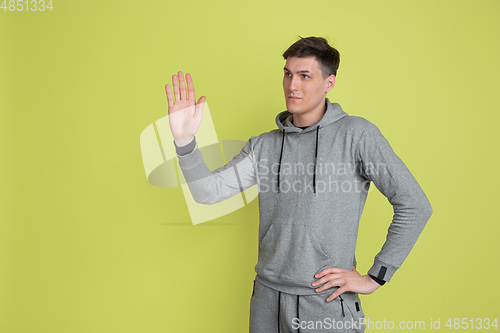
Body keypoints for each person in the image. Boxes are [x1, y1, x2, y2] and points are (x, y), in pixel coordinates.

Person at [165, 36, 433, 333]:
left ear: (329, 82)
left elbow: (415, 204)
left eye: (305, 76)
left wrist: (376, 276)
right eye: (288, 74)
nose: (293, 85)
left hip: (325, 301)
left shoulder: (357, 135)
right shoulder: (264, 146)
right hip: (266, 300)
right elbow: (207, 193)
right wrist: (184, 141)